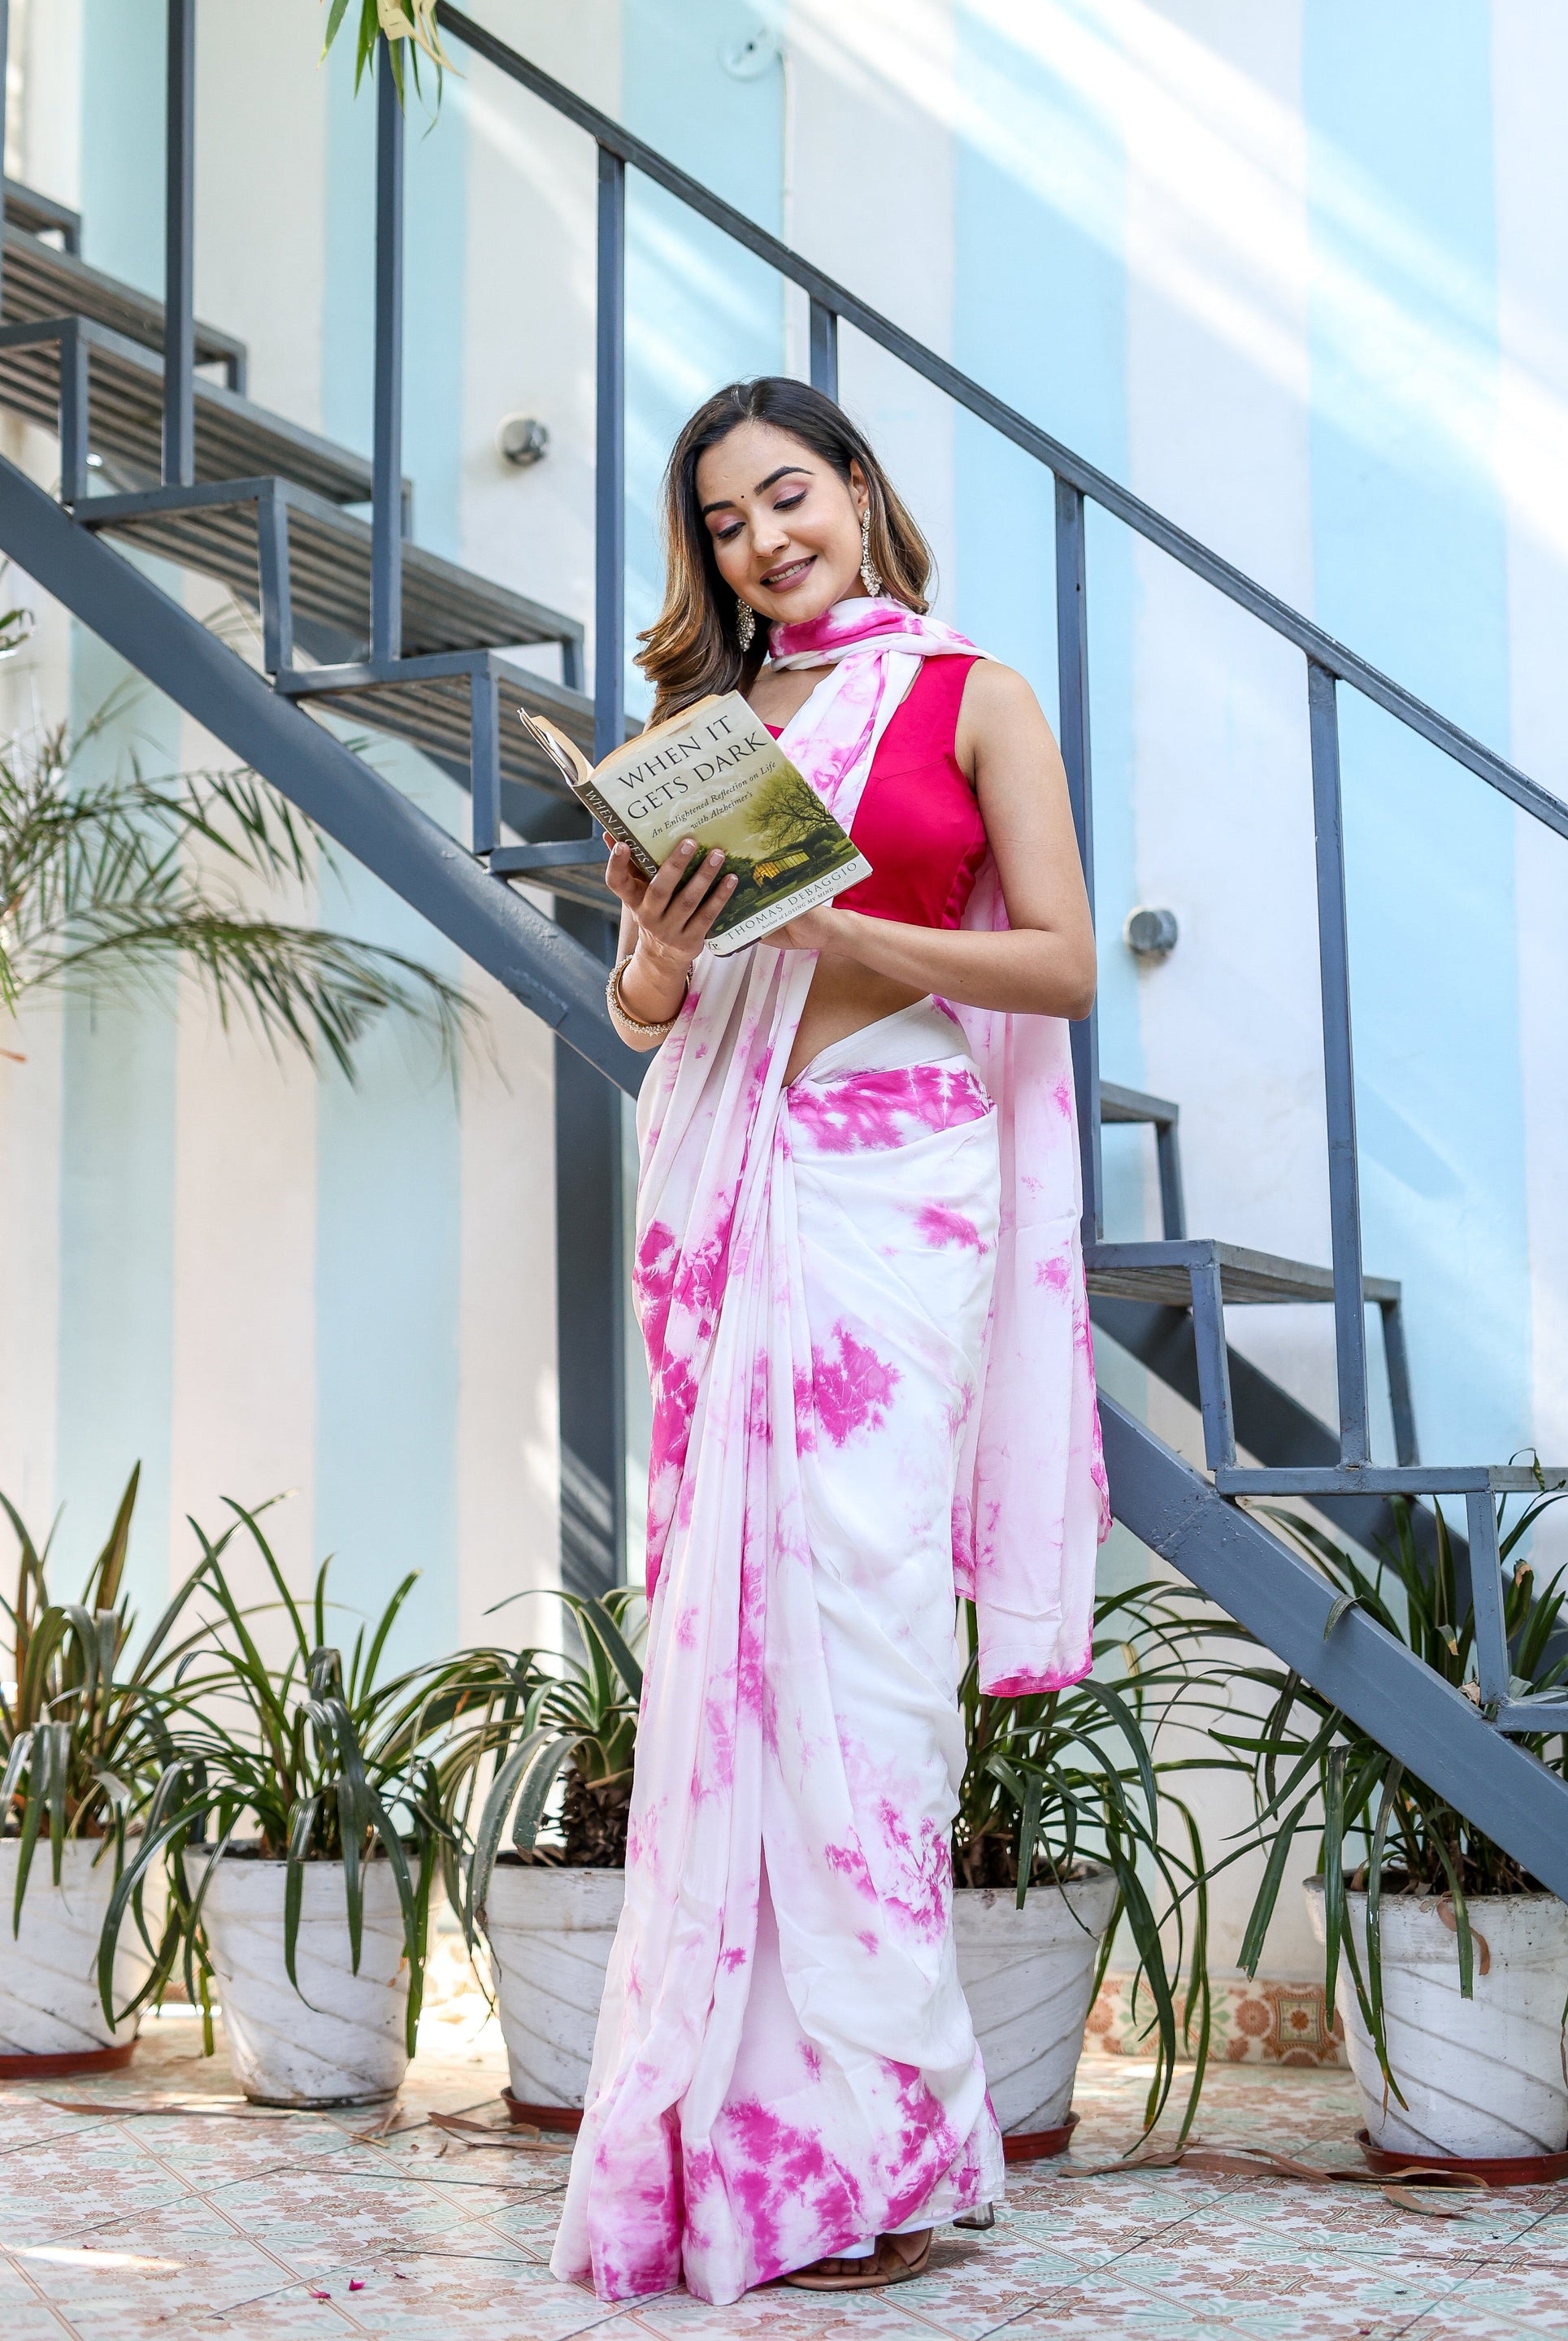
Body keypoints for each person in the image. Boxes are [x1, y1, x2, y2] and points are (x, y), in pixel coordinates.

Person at [550, 378, 1109, 2304]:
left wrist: (857, 934)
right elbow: (651, 1012)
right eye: (722, 520)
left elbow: (1059, 961)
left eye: (789, 495)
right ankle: (737, 2140)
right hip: (737, 1180)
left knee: (866, 1655)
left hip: (901, 1189)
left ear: (859, 494)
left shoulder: (972, 696)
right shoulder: (709, 740)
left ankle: (889, 2142)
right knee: (737, 1661)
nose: (762, 538)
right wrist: (656, 939)